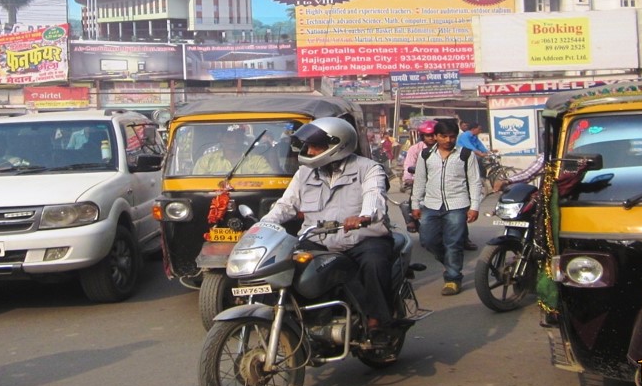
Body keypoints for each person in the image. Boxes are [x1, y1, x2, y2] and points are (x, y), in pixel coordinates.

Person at [260, 117, 400, 341]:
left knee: (375, 263)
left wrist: (365, 216)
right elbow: (286, 205)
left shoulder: (368, 168)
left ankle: (377, 322)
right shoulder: (304, 173)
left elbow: (375, 197)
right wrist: (263, 224)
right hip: (318, 240)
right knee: (288, 266)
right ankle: (306, 316)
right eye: (309, 146)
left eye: (317, 146)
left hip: (362, 239)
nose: (311, 151)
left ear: (338, 144)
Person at [412, 120, 485, 296]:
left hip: (457, 205)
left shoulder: (466, 154)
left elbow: (475, 182)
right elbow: (420, 180)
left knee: (453, 243)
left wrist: (474, 206)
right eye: (443, 136)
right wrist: (415, 204)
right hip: (431, 204)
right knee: (428, 240)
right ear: (436, 136)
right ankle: (449, 263)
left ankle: (452, 279)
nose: (448, 140)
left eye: (452, 136)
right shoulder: (426, 155)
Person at [194, 125, 268, 175]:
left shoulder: (257, 160)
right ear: (221, 138)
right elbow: (195, 185)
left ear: (243, 138)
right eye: (229, 136)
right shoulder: (206, 161)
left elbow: (268, 182)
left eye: (238, 136)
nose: (235, 140)